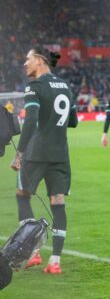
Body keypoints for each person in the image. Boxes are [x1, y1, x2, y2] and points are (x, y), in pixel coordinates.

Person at [10, 48, 78, 274]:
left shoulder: (34, 87)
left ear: (39, 60)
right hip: (60, 154)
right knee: (58, 204)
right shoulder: (66, 87)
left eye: (27, 59)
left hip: (37, 153)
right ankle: (55, 261)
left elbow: (31, 120)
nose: (25, 64)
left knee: (23, 195)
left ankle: (33, 253)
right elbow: (74, 121)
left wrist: (19, 152)